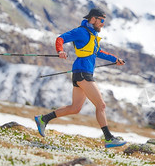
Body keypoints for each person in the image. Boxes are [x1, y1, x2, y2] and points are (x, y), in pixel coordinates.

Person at [34, 8, 127, 148]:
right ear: (93, 19)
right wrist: (60, 51)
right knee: (101, 105)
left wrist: (115, 59)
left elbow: (98, 52)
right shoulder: (81, 31)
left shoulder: (92, 35)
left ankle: (43, 119)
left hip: (82, 72)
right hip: (83, 73)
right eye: (101, 20)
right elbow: (60, 38)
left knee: (75, 108)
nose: (102, 24)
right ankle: (108, 138)